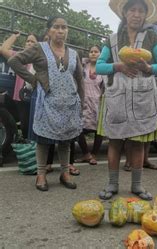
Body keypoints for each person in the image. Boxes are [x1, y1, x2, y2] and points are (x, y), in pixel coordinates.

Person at [96, 0, 157, 200]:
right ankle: (112, 184)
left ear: (145, 15)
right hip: (117, 97)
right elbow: (99, 67)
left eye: (141, 11)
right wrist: (117, 66)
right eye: (132, 10)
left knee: (137, 143)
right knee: (115, 142)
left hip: (142, 97)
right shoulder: (111, 40)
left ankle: (137, 185)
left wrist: (149, 68)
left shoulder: (152, 37)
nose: (136, 14)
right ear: (125, 14)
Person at [8, 16, 84, 191]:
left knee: (65, 140)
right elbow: (14, 61)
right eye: (56, 27)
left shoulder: (73, 53)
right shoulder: (39, 49)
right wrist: (33, 80)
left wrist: (82, 101)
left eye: (64, 27)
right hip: (47, 101)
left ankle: (65, 172)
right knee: (43, 139)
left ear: (67, 31)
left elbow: (80, 79)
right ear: (49, 30)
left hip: (69, 102)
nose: (60, 31)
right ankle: (41, 174)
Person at [0, 32, 39, 139]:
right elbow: (3, 49)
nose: (29, 43)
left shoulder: (41, 59)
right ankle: (28, 146)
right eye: (28, 41)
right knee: (25, 125)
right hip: (20, 98)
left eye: (32, 42)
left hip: (36, 98)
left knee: (35, 125)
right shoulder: (19, 56)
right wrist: (14, 36)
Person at [73, 45, 104, 166]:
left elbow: (105, 87)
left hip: (97, 103)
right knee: (78, 128)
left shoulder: (103, 69)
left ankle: (94, 155)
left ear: (100, 54)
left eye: (96, 52)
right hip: (83, 102)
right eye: (91, 51)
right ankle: (86, 153)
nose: (93, 54)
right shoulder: (84, 66)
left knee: (99, 131)